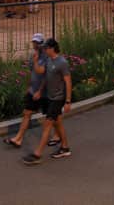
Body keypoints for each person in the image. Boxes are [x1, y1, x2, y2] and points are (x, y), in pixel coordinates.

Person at [21, 37, 72, 165]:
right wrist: (39, 90)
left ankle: (37, 154)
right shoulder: (49, 60)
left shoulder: (62, 63)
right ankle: (65, 148)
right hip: (49, 97)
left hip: (58, 99)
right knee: (58, 123)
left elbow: (68, 82)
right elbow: (44, 75)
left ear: (52, 48)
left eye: (46, 48)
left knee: (47, 124)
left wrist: (68, 101)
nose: (44, 50)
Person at [3, 33, 53, 150]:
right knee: (27, 113)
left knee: (52, 117)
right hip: (33, 91)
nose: (35, 45)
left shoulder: (47, 57)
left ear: (43, 44)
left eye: (38, 43)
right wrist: (29, 87)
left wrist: (40, 91)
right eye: (34, 43)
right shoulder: (33, 56)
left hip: (44, 93)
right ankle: (18, 139)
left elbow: (46, 76)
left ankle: (58, 137)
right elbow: (32, 73)